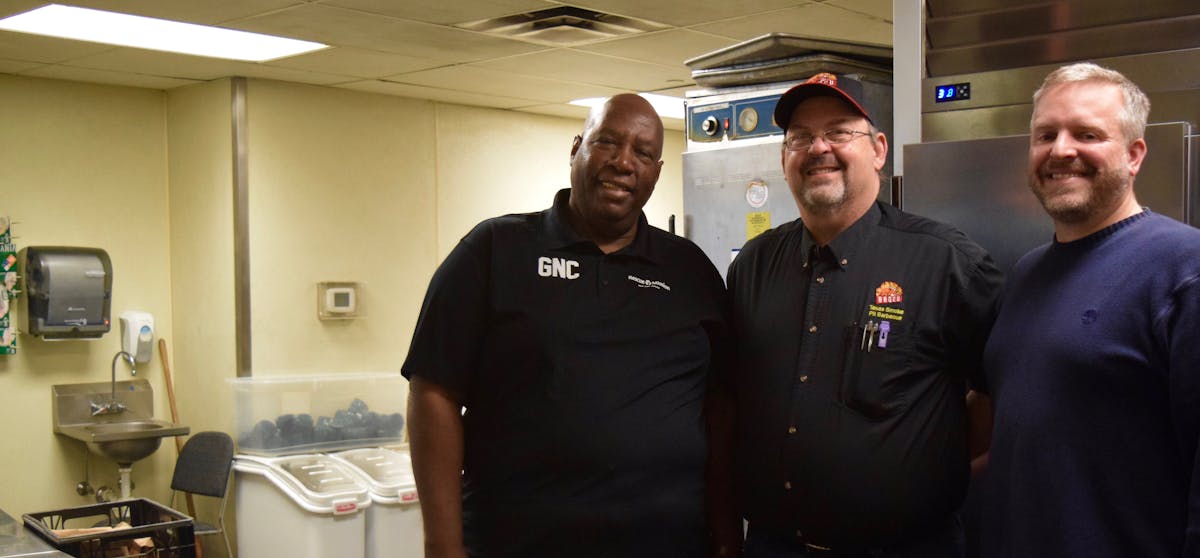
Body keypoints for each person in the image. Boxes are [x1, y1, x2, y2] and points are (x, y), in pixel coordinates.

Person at [402, 93, 735, 558]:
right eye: (607, 142)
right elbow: (433, 393)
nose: (623, 162)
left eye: (642, 153)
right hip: (518, 543)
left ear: (657, 172)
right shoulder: (494, 251)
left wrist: (726, 534)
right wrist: (442, 546)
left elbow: (720, 408)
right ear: (576, 148)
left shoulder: (690, 270)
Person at [726, 72, 1003, 557]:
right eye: (800, 138)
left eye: (838, 132)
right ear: (784, 159)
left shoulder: (948, 263)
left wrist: (934, 468)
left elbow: (999, 395)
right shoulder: (754, 264)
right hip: (773, 545)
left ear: (878, 150)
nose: (819, 148)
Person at [979, 62, 1200, 557]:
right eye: (1045, 135)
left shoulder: (1185, 271)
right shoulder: (1026, 273)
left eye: (1087, 134)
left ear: (1134, 154)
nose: (1061, 150)